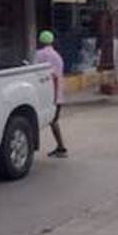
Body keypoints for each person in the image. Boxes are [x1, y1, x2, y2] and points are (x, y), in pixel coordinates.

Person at [34, 30, 68, 158]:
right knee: (54, 120)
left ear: (40, 42)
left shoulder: (40, 54)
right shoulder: (57, 56)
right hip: (58, 94)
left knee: (44, 120)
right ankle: (61, 147)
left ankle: (61, 147)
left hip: (46, 94)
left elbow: (34, 71)